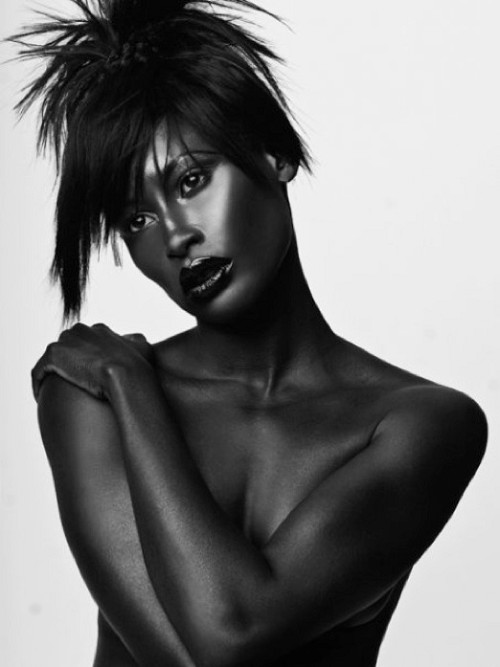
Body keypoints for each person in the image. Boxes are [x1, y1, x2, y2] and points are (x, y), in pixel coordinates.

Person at [13, 1, 487, 665]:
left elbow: (228, 642)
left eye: (191, 180)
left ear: (276, 155)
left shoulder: (423, 426)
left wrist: (133, 387)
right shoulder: (84, 396)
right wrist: (123, 384)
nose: (176, 235)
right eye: (136, 220)